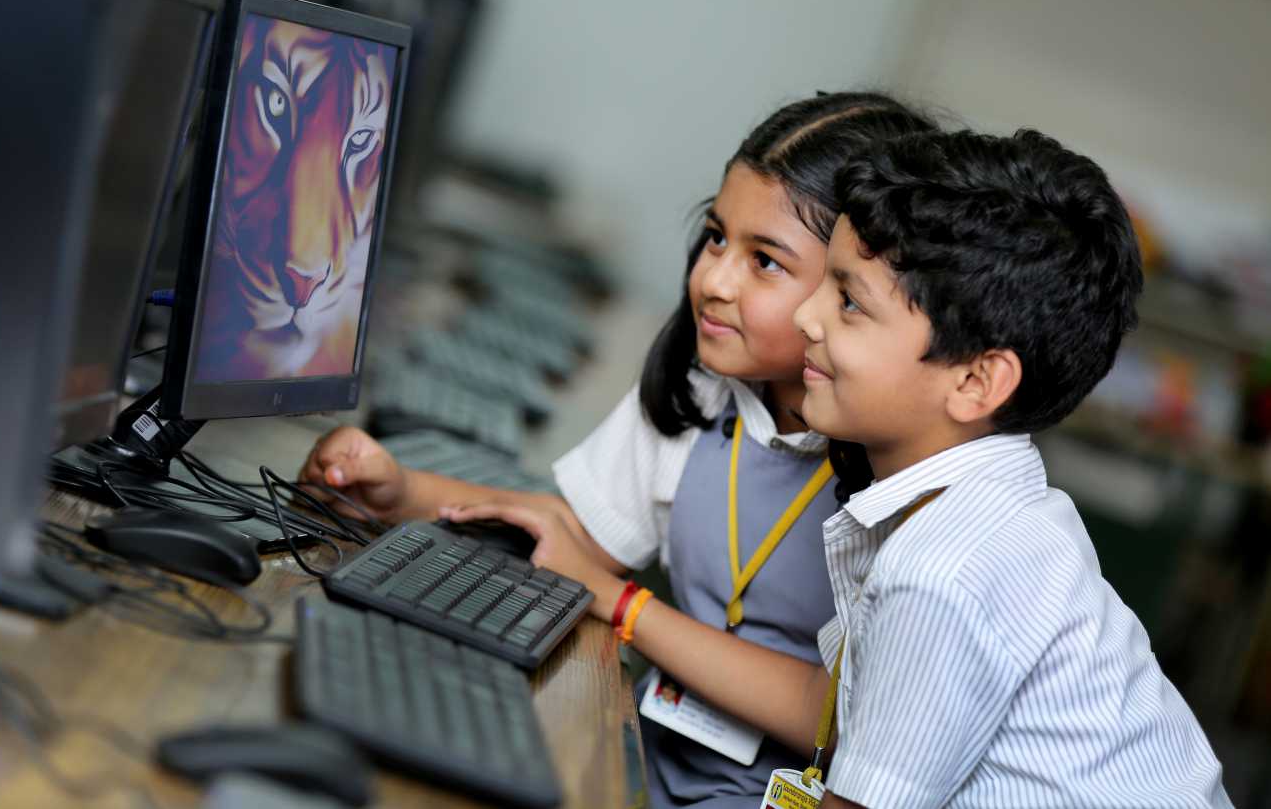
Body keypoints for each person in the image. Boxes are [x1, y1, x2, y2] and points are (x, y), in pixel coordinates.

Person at [300, 93, 936, 807]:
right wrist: (397, 492)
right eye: (717, 236)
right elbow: (571, 536)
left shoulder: (902, 467)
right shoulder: (705, 383)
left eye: (765, 262)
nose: (713, 279)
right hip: (653, 759)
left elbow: (837, 717)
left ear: (852, 286)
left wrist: (625, 606)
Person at [787, 128, 1230, 807]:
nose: (804, 316)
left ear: (975, 382)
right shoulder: (1001, 511)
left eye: (848, 301)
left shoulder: (943, 568)